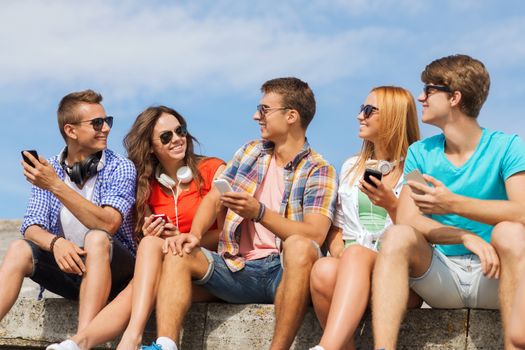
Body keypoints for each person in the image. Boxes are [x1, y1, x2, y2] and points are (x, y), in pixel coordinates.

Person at [138, 77, 338, 350]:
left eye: (265, 109)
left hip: (284, 271)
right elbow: (214, 197)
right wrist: (194, 235)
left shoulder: (319, 168)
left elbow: (315, 234)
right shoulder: (250, 151)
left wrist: (260, 213)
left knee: (300, 247)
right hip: (237, 267)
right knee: (178, 252)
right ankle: (166, 345)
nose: (257, 115)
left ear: (291, 116)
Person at [371, 54, 525, 350]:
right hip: (442, 276)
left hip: (496, 276)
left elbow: (522, 211)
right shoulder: (420, 153)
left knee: (511, 231)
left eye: (429, 90)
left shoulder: (508, 147)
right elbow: (408, 219)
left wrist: (452, 204)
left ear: (454, 97)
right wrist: (464, 235)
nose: (420, 97)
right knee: (398, 235)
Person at [46, 106, 225, 350]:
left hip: (210, 270)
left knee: (146, 272)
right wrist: (152, 235)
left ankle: (127, 338)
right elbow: (140, 246)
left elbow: (229, 235)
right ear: (151, 147)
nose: (177, 139)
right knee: (149, 253)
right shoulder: (146, 187)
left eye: (180, 131)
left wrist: (183, 238)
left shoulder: (212, 170)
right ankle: (81, 343)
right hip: (171, 274)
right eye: (166, 136)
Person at [0, 90, 136, 333]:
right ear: (71, 130)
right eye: (97, 123)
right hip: (72, 269)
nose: (105, 128)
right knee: (18, 248)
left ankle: (80, 341)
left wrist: (55, 185)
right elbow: (31, 225)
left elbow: (108, 224)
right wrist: (56, 243)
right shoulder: (50, 168)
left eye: (108, 121)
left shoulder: (121, 167)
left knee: (96, 238)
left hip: (117, 274)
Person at [309, 86, 421, 350]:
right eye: (361, 109)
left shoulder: (416, 170)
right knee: (324, 269)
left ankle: (326, 347)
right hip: (353, 268)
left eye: (369, 110)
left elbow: (419, 230)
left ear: (393, 116)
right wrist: (339, 253)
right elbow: (336, 227)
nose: (361, 116)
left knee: (357, 254)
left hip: (400, 276)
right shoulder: (351, 166)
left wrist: (392, 205)